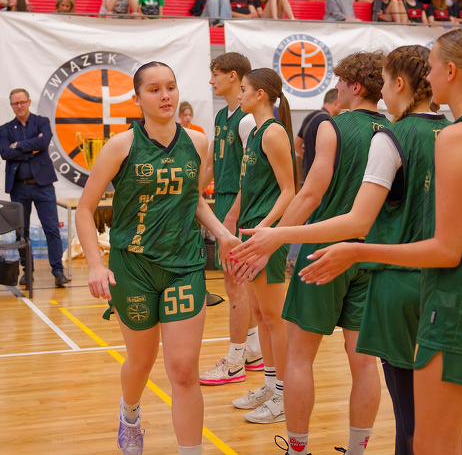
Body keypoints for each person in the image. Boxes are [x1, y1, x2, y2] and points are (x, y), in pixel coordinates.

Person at [296, 27, 462, 455]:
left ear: (451, 71)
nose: (428, 75)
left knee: (428, 440)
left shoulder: (456, 137)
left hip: (452, 302)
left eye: (433, 66)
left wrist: (356, 249)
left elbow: (446, 248)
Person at [232, 49, 442, 455]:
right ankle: (357, 449)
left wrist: (277, 237)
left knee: (299, 357)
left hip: (325, 252)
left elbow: (310, 193)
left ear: (354, 86)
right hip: (375, 254)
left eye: (341, 82)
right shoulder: (395, 129)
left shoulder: (331, 126)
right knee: (363, 361)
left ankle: (298, 449)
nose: (337, 89)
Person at [75, 61, 240, 455]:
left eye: (171, 87)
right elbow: (84, 209)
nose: (165, 96)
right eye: (154, 89)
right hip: (133, 267)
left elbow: (192, 198)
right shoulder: (121, 146)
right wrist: (96, 264)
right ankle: (129, 412)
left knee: (183, 371)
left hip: (184, 266)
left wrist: (222, 234)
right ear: (137, 99)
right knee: (141, 362)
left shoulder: (197, 142)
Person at [226, 68, 297, 424]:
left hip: (265, 235)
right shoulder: (254, 132)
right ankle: (270, 386)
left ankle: (284, 394)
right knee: (259, 314)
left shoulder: (273, 132)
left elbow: (289, 191)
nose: (239, 95)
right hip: (250, 232)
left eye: (244, 89)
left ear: (261, 95)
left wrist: (266, 229)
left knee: (273, 318)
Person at [198, 53, 263, 387]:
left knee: (235, 284)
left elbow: (251, 173)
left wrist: (234, 213)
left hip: (240, 204)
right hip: (223, 200)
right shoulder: (221, 115)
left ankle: (235, 362)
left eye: (216, 74)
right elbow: (210, 164)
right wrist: (191, 197)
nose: (212, 80)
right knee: (237, 284)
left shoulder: (247, 119)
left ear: (233, 76)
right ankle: (254, 351)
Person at [0, 89, 69, 288]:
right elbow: (4, 152)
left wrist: (17, 145)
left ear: (29, 102)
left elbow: (43, 141)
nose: (19, 106)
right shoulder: (5, 129)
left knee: (51, 229)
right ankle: (27, 272)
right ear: (11, 105)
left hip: (43, 186)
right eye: (15, 103)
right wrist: (31, 150)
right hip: (18, 187)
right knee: (21, 232)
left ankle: (58, 272)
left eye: (22, 102)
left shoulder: (41, 122)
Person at [294, 89, 340, 183]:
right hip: (320, 178)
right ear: (336, 103)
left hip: (307, 175)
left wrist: (308, 159)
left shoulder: (310, 116)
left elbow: (296, 145)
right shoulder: (327, 121)